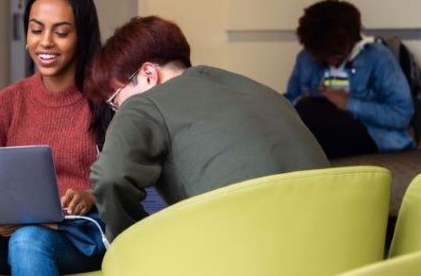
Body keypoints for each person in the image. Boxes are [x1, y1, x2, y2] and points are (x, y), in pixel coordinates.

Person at [87, 16, 329, 241]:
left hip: (246, 245)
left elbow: (109, 178)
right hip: (332, 239)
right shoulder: (259, 90)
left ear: (148, 74)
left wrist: (133, 242)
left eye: (115, 100)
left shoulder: (143, 104)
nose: (117, 112)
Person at [0, 0, 113, 276]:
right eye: (36, 30)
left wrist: (91, 195)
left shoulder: (106, 101)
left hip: (80, 233)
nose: (45, 42)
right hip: (10, 229)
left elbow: (129, 179)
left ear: (82, 37)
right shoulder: (8, 102)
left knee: (28, 240)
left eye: (61, 32)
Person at [284, 0, 414, 158]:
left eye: (336, 55)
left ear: (352, 40)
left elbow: (401, 115)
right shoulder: (306, 58)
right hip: (317, 133)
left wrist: (348, 104)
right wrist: (300, 101)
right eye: (322, 57)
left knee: (309, 110)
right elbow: (288, 102)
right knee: (299, 112)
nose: (330, 61)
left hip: (369, 135)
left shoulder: (377, 57)